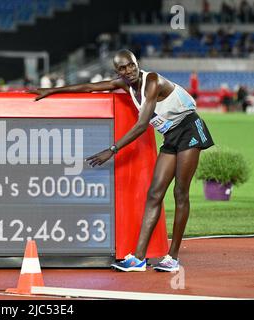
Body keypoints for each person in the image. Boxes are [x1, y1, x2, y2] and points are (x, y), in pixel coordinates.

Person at [29, 49, 214, 272]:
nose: (129, 71)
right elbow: (90, 87)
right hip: (171, 136)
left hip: (189, 129)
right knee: (155, 193)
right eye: (122, 68)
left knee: (180, 193)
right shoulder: (126, 85)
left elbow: (142, 124)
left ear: (137, 63)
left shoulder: (152, 81)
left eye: (131, 65)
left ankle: (173, 258)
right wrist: (53, 90)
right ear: (118, 72)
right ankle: (138, 259)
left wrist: (112, 149)